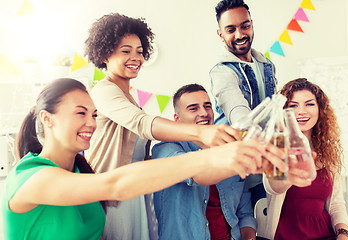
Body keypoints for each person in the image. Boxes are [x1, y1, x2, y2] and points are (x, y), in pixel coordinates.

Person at [1, 78, 284, 240]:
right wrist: (215, 154)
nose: (91, 122)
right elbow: (116, 184)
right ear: (46, 119)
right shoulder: (29, 178)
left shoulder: (81, 172)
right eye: (80, 113)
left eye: (94, 114)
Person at [83, 13, 245, 240]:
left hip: (134, 194)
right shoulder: (104, 90)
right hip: (111, 197)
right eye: (125, 50)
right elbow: (142, 124)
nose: (135, 57)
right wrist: (202, 132)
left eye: (139, 51)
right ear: (105, 53)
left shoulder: (127, 96)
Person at [152, 83, 287, 240]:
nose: (204, 112)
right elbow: (196, 174)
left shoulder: (231, 147)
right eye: (193, 108)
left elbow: (245, 213)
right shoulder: (164, 150)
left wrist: (249, 235)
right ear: (177, 119)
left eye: (207, 106)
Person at [263, 78, 348, 240]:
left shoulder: (327, 150)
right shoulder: (277, 144)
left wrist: (344, 234)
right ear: (283, 111)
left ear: (320, 109)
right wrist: (293, 170)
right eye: (293, 106)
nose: (301, 111)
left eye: (309, 104)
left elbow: (337, 205)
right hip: (284, 236)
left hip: (325, 234)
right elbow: (273, 188)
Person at [210, 0, 278, 208]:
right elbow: (238, 112)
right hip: (236, 173)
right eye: (231, 29)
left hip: (269, 167)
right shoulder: (222, 71)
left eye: (245, 26)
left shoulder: (266, 64)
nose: (240, 34)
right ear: (220, 34)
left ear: (251, 24)